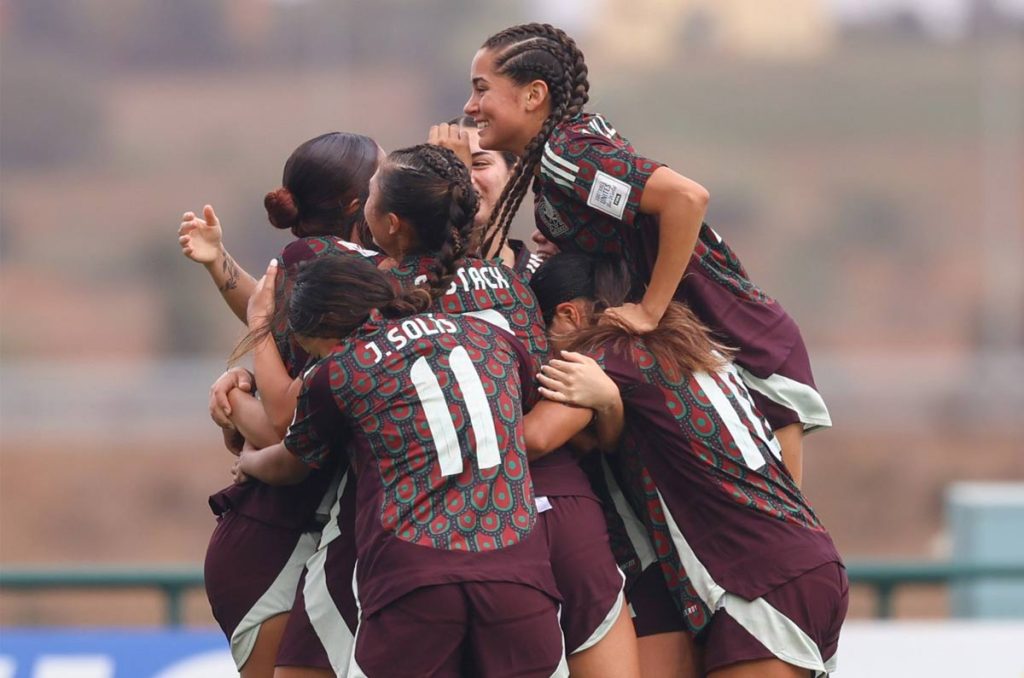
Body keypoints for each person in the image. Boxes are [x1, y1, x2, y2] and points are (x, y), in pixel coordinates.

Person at [459, 22, 831, 486]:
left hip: (744, 343)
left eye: (481, 89)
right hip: (716, 348)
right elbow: (629, 221)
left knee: (778, 529)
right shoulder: (561, 156)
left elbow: (685, 198)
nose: (471, 107)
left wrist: (649, 310)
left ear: (533, 95)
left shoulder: (567, 153)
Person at [366, 142, 639, 676]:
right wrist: (606, 405)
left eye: (373, 193)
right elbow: (553, 411)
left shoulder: (377, 294)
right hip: (562, 505)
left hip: (460, 524)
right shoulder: (517, 287)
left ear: (395, 223)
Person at [234, 254, 567, 677]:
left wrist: (249, 459)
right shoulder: (490, 337)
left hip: (413, 576)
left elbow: (291, 464)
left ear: (322, 326)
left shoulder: (338, 371)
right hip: (519, 571)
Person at [527, 253, 848, 678]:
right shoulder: (689, 341)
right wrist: (609, 407)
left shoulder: (608, 351)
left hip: (758, 580)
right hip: (802, 561)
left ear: (568, 314)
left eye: (540, 332)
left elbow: (536, 437)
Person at [178, 132, 383, 677]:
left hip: (300, 531)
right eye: (384, 173)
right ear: (356, 204)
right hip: (273, 537)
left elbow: (268, 316)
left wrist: (219, 263)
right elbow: (286, 429)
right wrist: (245, 412)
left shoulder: (325, 261)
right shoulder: (335, 261)